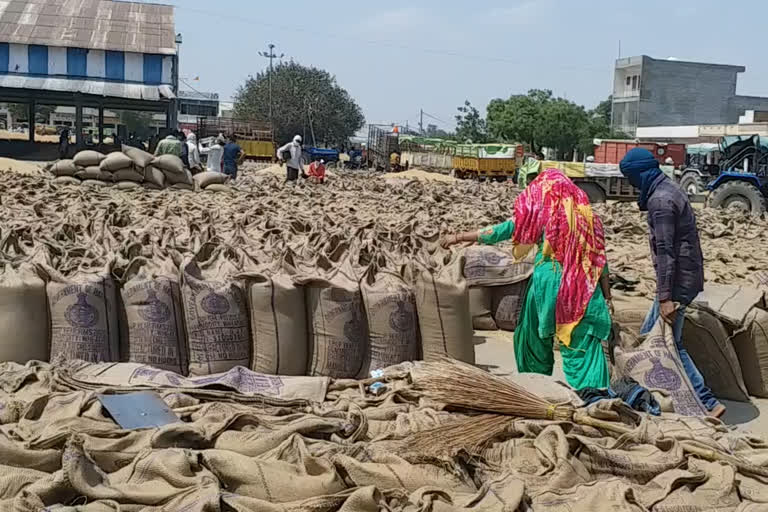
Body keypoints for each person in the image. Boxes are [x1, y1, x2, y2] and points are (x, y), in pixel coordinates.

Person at [442, 169, 612, 390]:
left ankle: (536, 384)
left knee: (531, 338)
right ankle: (593, 394)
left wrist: (459, 237)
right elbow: (601, 260)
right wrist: (607, 296)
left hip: (547, 283)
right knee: (580, 344)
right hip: (582, 287)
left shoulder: (540, 213)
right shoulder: (589, 218)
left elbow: (501, 230)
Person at [619, 148, 725, 418]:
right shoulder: (668, 189)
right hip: (685, 278)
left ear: (640, 175)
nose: (632, 186)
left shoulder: (661, 202)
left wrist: (666, 298)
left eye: (631, 179)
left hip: (678, 283)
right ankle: (656, 394)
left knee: (666, 343)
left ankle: (707, 402)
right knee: (652, 336)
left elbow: (666, 253)